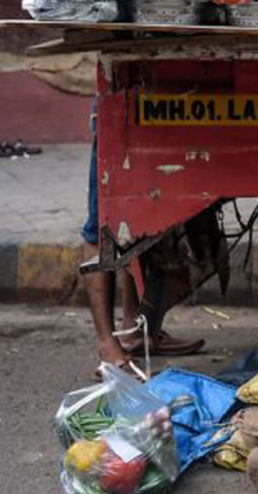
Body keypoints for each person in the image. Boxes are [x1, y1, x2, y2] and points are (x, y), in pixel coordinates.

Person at [82, 109, 203, 375]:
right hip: (115, 110)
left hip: (151, 108)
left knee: (140, 218)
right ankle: (106, 344)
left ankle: (134, 331)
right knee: (101, 224)